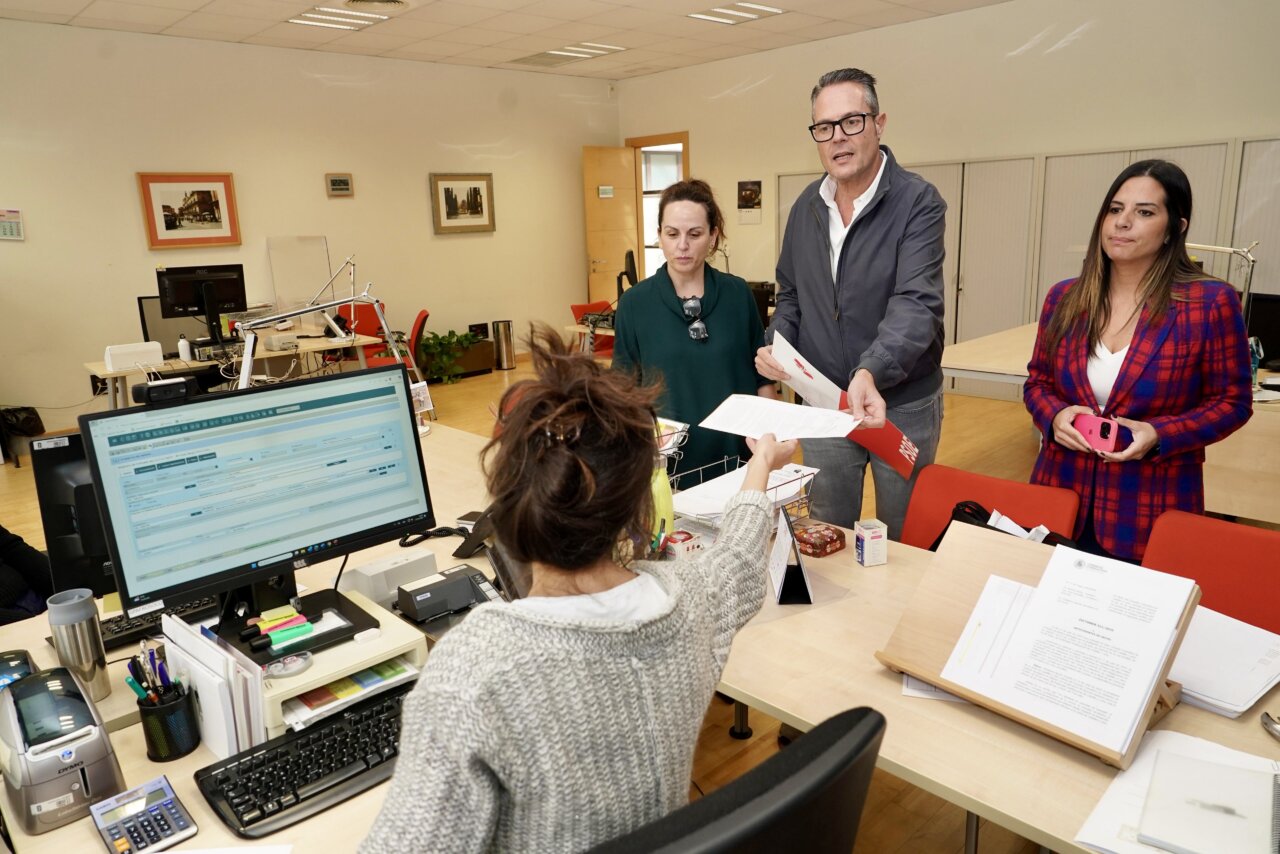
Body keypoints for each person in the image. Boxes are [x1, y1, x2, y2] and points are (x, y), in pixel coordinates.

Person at [360, 325, 797, 854]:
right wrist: (761, 467)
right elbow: (739, 561)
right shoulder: (688, 604)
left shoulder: (473, 674)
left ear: (509, 500)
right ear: (640, 507)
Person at [1024, 159, 1252, 561]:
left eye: (1144, 212)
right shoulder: (1064, 297)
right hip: (1058, 494)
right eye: (1115, 209)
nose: (1122, 222)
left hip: (1149, 507)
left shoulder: (1210, 303)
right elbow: (1038, 382)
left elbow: (1232, 403)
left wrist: (1160, 434)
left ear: (1174, 229)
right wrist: (1055, 417)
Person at [755, 67, 946, 538]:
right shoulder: (805, 207)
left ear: (879, 124)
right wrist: (778, 347)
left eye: (851, 122)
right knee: (826, 530)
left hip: (898, 401)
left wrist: (871, 371)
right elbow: (792, 293)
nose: (837, 138)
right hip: (824, 402)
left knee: (906, 537)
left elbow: (916, 303)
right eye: (824, 127)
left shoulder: (918, 202)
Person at [612, 179, 776, 484]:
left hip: (740, 461)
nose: (682, 245)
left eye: (695, 234)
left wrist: (772, 441)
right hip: (666, 469)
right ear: (659, 235)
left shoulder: (738, 294)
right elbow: (623, 392)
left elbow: (762, 378)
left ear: (713, 236)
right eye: (672, 234)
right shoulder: (635, 303)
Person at [0, 523, 52, 624]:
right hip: (12, 622)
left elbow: (10, 547)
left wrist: (60, 583)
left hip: (33, 595)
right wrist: (33, 623)